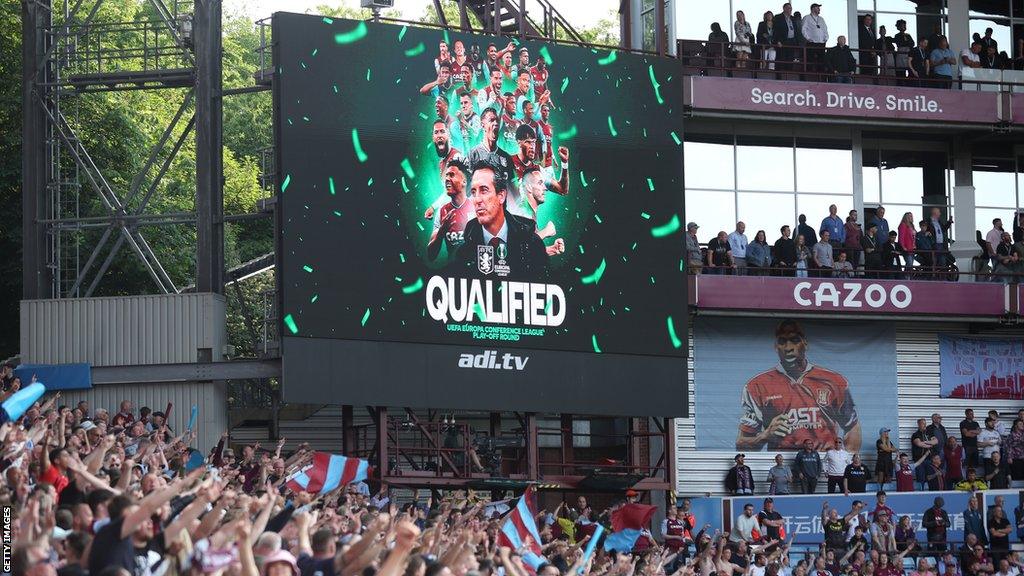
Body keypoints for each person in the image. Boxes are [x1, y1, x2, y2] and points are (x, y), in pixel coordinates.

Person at [736, 320, 861, 452]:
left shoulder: (834, 381)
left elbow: (852, 427)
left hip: (824, 462)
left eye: (794, 340)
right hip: (783, 464)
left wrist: (845, 462)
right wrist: (764, 436)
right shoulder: (757, 386)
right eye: (782, 341)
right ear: (776, 346)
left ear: (805, 343)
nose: (788, 348)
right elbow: (741, 443)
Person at [454, 158, 549, 281]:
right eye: (473, 192)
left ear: (501, 196)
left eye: (484, 190)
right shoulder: (464, 253)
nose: (477, 199)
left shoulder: (531, 244)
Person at [426, 159, 474, 263]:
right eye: (446, 175)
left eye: (451, 175)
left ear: (464, 182)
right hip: (454, 274)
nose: (447, 179)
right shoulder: (442, 212)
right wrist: (442, 230)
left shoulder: (476, 208)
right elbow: (431, 255)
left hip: (476, 274)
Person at [801, 3, 828, 75]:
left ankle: (820, 74)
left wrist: (826, 37)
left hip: (821, 43)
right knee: (810, 59)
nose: (819, 9)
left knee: (821, 59)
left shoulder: (821, 19)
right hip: (811, 42)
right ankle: (809, 74)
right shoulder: (807, 17)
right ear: (813, 9)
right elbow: (803, 29)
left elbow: (825, 29)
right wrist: (808, 38)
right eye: (817, 8)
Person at [773, 3, 800, 71]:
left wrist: (796, 42)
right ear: (784, 8)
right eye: (788, 8)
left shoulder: (793, 18)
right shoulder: (778, 17)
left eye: (791, 8)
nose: (790, 10)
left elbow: (796, 30)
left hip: (792, 42)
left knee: (790, 59)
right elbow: (776, 30)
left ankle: (788, 74)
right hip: (782, 41)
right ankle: (780, 76)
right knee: (781, 59)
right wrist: (778, 41)